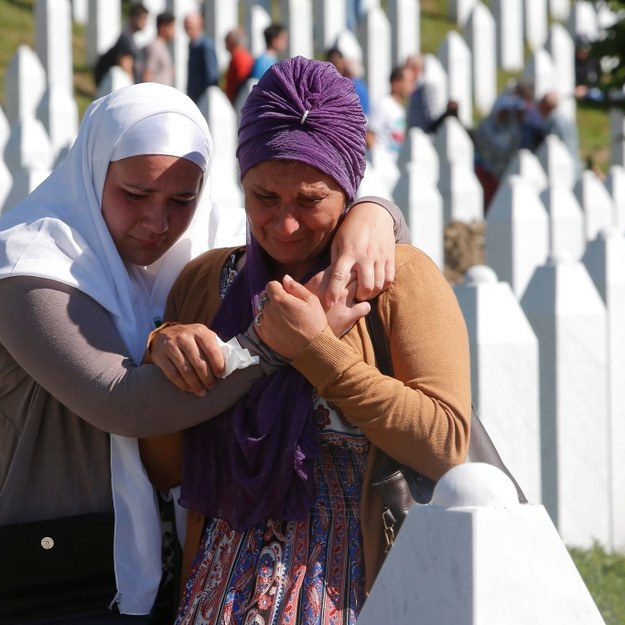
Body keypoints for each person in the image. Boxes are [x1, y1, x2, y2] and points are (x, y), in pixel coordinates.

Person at [0, 81, 406, 624]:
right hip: (50, 567)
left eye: (181, 200)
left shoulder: (200, 247)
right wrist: (270, 345)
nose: (157, 222)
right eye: (135, 194)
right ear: (94, 169)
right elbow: (122, 400)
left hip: (173, 569)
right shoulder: (30, 269)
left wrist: (374, 212)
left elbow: (312, 221)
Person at [142, 57, 471, 624]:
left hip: (359, 594)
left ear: (347, 190)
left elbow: (446, 443)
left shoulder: (397, 281)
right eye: (264, 197)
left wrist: (317, 350)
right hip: (215, 595)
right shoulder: (205, 285)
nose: (286, 225)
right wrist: (164, 356)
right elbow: (166, 470)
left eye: (311, 200)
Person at [95, 2, 149, 86]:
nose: (145, 23)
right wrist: (131, 86)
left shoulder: (130, 38)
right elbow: (125, 63)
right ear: (133, 18)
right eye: (143, 19)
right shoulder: (125, 38)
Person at [368, 66, 413, 155]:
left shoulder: (400, 109)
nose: (411, 86)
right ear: (396, 83)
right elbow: (370, 136)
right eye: (408, 82)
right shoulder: (383, 105)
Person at [184, 11, 219, 104]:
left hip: (203, 100)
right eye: (186, 26)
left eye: (190, 25)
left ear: (200, 25)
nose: (188, 28)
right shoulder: (193, 45)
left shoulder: (206, 45)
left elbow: (212, 76)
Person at [327, 46, 369, 116]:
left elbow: (363, 112)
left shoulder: (355, 85)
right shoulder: (322, 85)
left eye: (338, 68)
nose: (335, 71)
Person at [142, 11, 176, 85]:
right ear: (164, 27)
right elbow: (148, 74)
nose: (174, 31)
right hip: (156, 94)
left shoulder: (162, 46)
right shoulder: (154, 47)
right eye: (172, 27)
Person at [223, 27, 253, 106]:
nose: (225, 47)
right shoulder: (243, 55)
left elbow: (241, 79)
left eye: (226, 42)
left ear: (232, 42)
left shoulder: (238, 57)